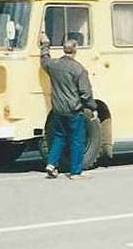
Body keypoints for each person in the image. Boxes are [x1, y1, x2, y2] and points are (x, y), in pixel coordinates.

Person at [39, 33, 97, 180]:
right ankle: (76, 172)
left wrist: (45, 44)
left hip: (58, 109)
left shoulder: (54, 65)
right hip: (73, 110)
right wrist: (93, 108)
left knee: (59, 137)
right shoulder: (79, 69)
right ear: (75, 49)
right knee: (77, 140)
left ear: (64, 50)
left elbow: (44, 60)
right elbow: (85, 92)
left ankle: (51, 164)